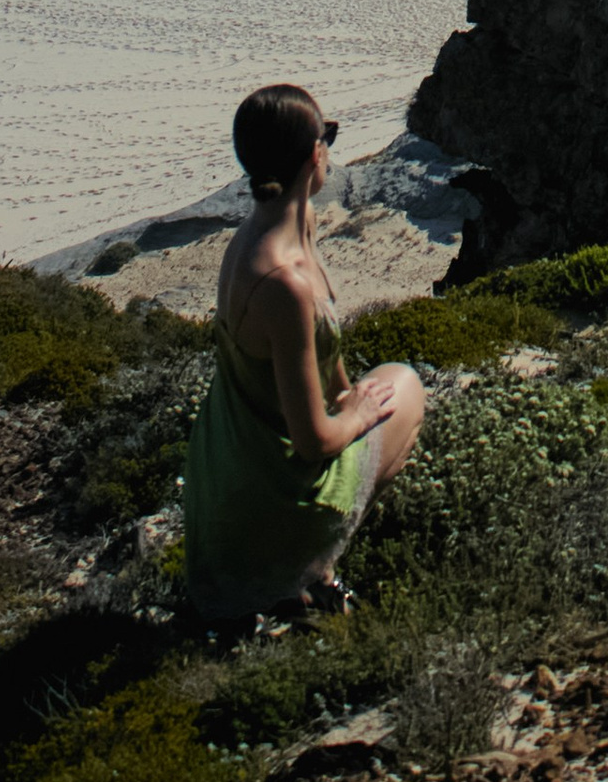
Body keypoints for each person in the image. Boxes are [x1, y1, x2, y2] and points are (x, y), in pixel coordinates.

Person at [181, 82, 425, 623]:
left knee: (378, 388)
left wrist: (347, 396)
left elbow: (324, 357)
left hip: (229, 472)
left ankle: (306, 561)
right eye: (329, 136)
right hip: (268, 493)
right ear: (315, 154)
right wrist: (356, 413)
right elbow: (313, 440)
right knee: (404, 388)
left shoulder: (271, 233)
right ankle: (308, 569)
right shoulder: (283, 283)